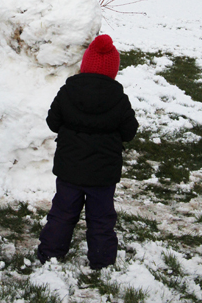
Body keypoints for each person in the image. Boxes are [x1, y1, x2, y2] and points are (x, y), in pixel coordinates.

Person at [38, 34, 138, 269]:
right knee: (101, 217)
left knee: (62, 213)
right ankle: (102, 260)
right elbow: (129, 131)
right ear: (113, 70)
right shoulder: (119, 98)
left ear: (85, 64)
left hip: (69, 169)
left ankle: (50, 253)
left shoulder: (68, 91)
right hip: (103, 174)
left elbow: (52, 122)